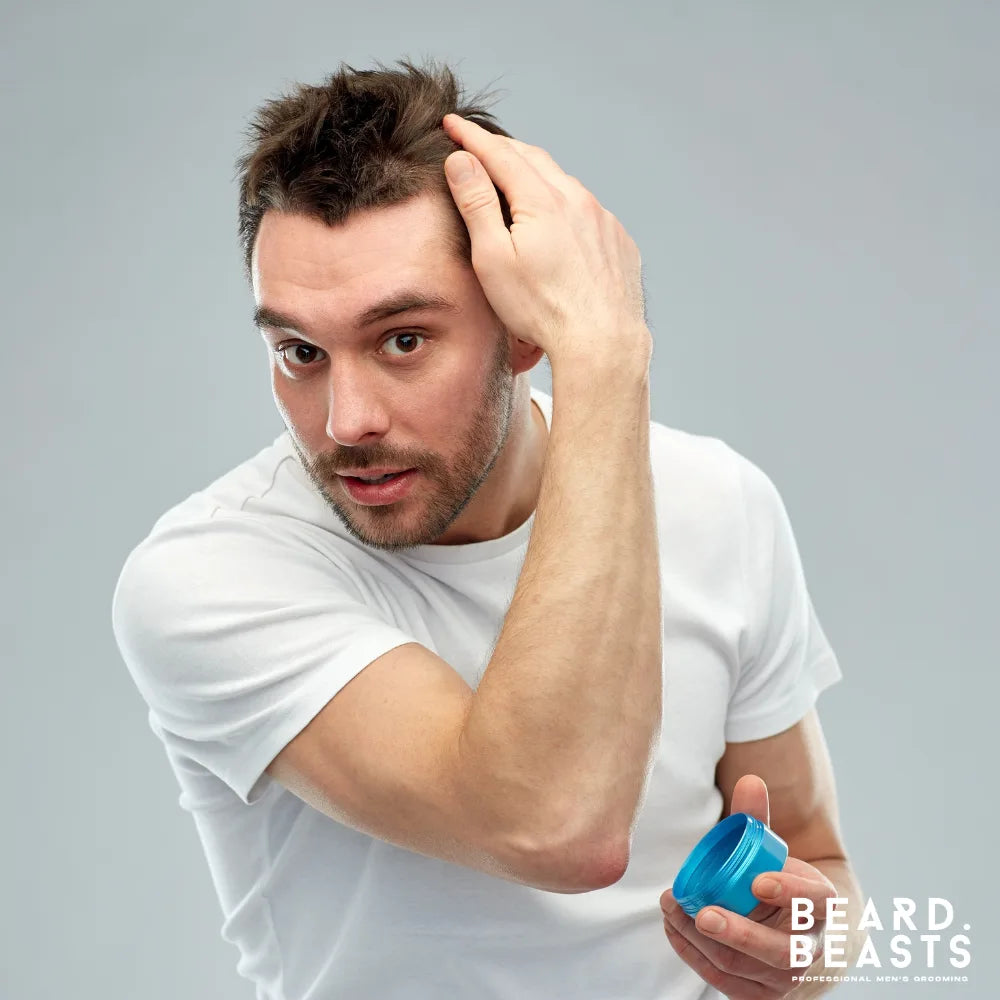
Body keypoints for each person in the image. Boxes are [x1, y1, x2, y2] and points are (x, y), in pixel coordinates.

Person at [111, 59, 864, 1000]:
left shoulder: (721, 502)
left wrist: (804, 953)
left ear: (522, 328)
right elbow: (554, 828)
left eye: (402, 341)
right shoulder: (208, 576)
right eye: (299, 351)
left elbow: (821, 863)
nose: (346, 421)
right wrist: (610, 349)